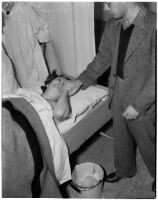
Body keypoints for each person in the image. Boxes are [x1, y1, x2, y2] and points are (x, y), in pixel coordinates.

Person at [69, 2, 156, 193]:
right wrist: (80, 81)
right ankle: (125, 170)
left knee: (148, 141)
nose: (107, 8)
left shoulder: (154, 25)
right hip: (116, 90)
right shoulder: (112, 24)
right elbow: (103, 58)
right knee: (121, 136)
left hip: (143, 96)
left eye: (109, 2)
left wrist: (139, 105)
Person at [2, 2, 61, 90]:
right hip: (11, 63)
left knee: (41, 87)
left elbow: (42, 31)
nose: (7, 4)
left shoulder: (25, 9)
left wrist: (41, 56)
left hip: (31, 60)